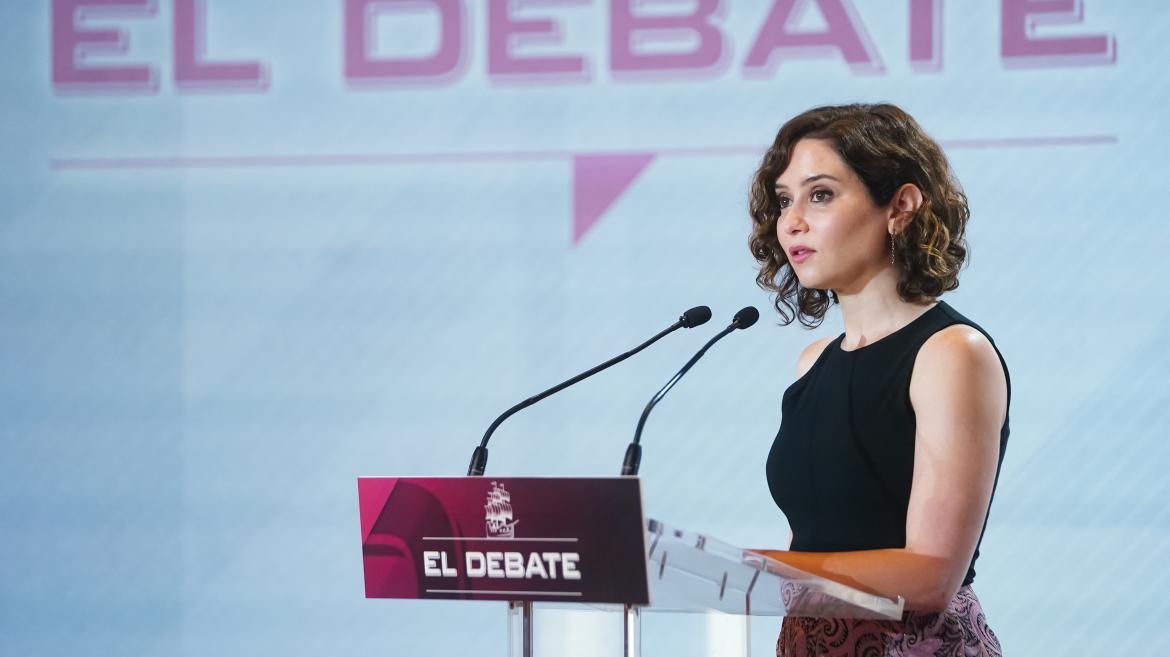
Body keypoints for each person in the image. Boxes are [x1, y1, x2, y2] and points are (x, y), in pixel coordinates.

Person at [746, 103, 1010, 657]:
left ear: (900, 206)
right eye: (784, 199)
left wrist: (766, 568)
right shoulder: (813, 363)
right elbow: (816, 536)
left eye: (820, 194)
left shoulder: (952, 353)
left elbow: (932, 576)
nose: (792, 220)